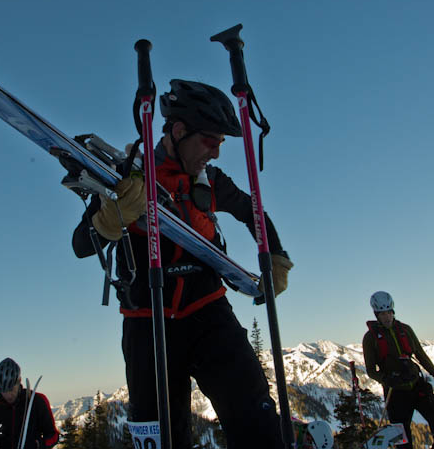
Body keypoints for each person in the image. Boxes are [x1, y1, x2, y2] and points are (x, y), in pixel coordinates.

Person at [72, 79, 294, 449]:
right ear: (178, 131)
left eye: (221, 143)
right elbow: (80, 245)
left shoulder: (208, 180)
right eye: (211, 140)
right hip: (148, 325)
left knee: (257, 424)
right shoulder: (129, 178)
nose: (217, 153)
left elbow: (251, 210)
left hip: (209, 314)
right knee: (163, 440)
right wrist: (109, 219)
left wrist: (276, 256)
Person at [362, 291, 434, 449]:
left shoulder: (405, 330)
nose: (386, 317)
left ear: (393, 311)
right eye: (382, 314)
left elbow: (422, 357)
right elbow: (371, 370)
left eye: (388, 313)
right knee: (403, 444)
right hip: (395, 393)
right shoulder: (370, 338)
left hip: (417, 385)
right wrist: (387, 379)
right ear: (376, 314)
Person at [0, 358, 59, 449]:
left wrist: (38, 444)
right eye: (3, 392)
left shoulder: (37, 401)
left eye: (11, 389)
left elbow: (53, 435)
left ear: (19, 380)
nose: (8, 396)